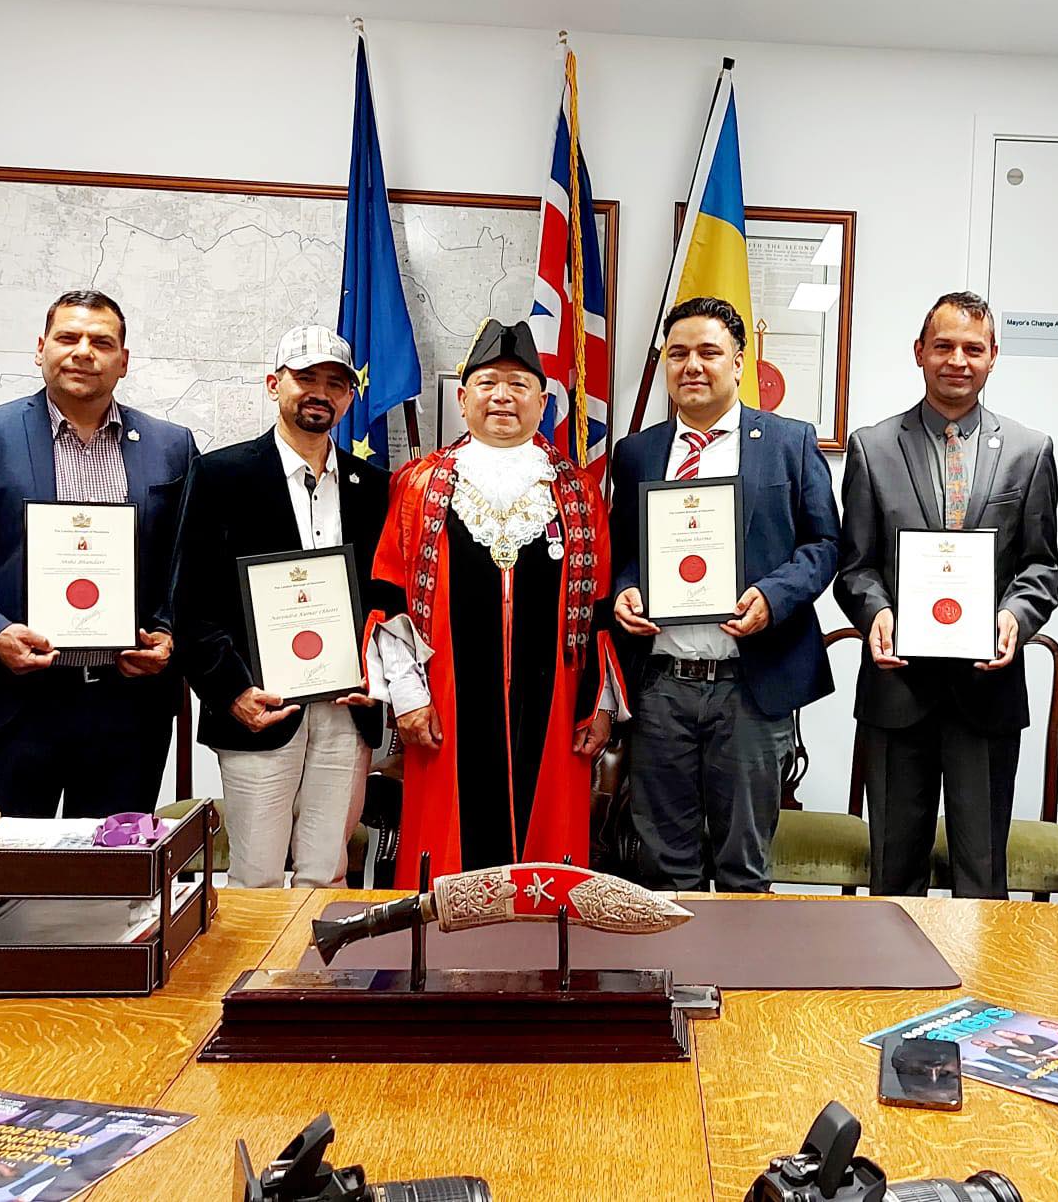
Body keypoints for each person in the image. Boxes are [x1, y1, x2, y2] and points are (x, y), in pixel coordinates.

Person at [368, 319, 621, 879]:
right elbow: (390, 596)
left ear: (543, 402)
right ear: (463, 399)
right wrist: (407, 695)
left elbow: (600, 608)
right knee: (447, 854)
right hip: (444, 704)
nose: (502, 396)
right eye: (487, 383)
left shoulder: (579, 492)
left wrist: (599, 705)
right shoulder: (418, 485)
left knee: (547, 862)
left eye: (519, 384)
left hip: (556, 709)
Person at [0, 289, 197, 817]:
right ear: (41, 349)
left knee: (113, 860)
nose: (83, 352)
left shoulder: (172, 445)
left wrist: (168, 633)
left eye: (101, 342)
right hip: (14, 698)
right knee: (9, 859)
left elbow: (187, 560)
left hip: (128, 705)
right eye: (68, 337)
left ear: (123, 360)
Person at [834, 291, 1058, 898]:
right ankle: (895, 967)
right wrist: (876, 612)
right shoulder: (873, 446)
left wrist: (1015, 617)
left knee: (982, 877)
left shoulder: (1030, 450)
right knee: (893, 874)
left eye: (973, 349)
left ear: (993, 357)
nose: (957, 360)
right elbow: (854, 566)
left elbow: (1041, 566)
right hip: (897, 688)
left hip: (986, 692)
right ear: (919, 352)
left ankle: (977, 966)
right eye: (943, 346)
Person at [610, 295, 838, 891]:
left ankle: (743, 960)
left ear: (738, 362)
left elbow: (824, 544)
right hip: (662, 687)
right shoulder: (636, 453)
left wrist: (774, 597)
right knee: (664, 867)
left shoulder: (789, 442)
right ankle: (675, 957)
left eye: (708, 352)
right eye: (677, 353)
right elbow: (622, 552)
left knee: (744, 869)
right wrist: (625, 591)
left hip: (750, 687)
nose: (692, 366)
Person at [170, 326, 394, 888]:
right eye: (306, 378)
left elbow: (389, 601)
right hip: (259, 707)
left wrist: (380, 678)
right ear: (274, 384)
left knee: (328, 873)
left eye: (336, 384)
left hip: (347, 710)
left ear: (350, 397)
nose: (321, 393)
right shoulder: (220, 475)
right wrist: (232, 693)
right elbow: (190, 603)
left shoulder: (375, 487)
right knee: (256, 877)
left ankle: (319, 952)